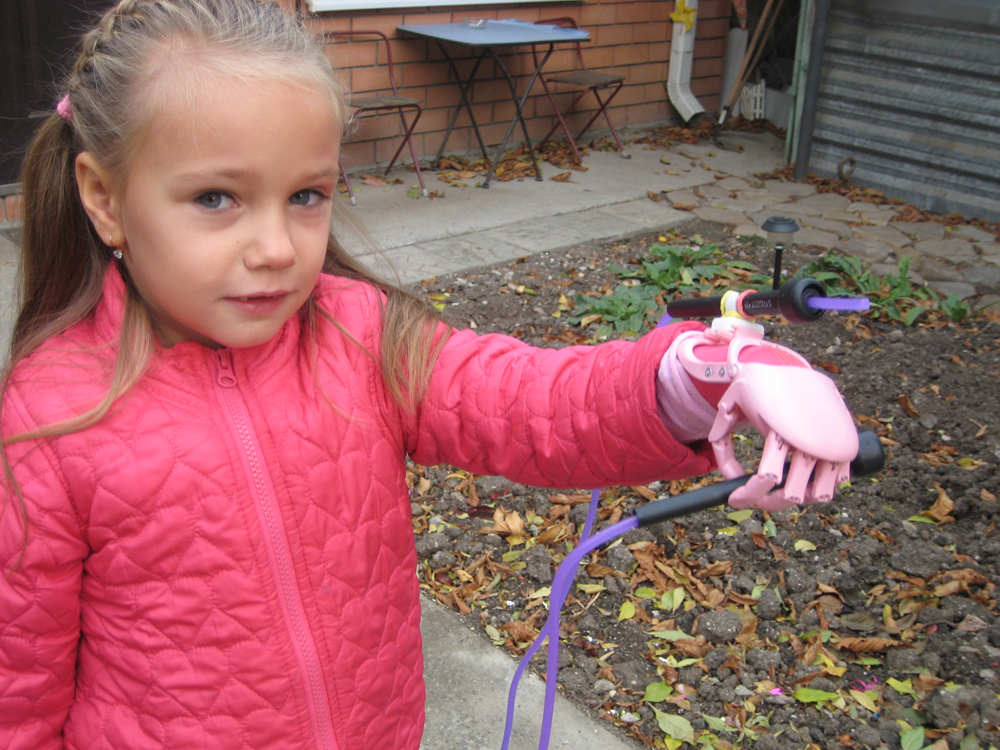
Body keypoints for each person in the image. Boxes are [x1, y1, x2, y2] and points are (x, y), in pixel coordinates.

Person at [0, 1, 857, 748]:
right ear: (105, 197)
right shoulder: (50, 419)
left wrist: (701, 373)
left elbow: (527, 400)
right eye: (216, 199)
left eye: (307, 196)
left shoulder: (359, 334)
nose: (274, 248)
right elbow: (18, 687)